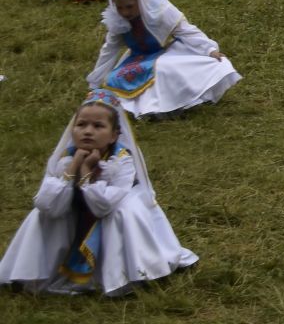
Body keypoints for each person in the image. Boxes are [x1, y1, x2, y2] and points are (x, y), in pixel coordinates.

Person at [0, 91, 198, 296]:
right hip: (77, 209)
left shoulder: (121, 161)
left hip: (110, 206)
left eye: (98, 126)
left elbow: (102, 206)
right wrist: (75, 165)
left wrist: (86, 172)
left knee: (123, 212)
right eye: (81, 125)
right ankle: (33, 271)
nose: (88, 131)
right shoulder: (66, 159)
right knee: (40, 215)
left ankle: (125, 273)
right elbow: (46, 203)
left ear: (114, 135)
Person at [89, 0, 241, 117]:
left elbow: (186, 31)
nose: (125, 12)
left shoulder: (159, 12)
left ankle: (179, 101)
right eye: (120, 8)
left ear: (140, 0)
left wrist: (209, 50)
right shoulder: (118, 22)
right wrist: (95, 84)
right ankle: (150, 108)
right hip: (138, 59)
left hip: (167, 53)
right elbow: (109, 51)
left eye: (129, 6)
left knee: (164, 68)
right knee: (115, 79)